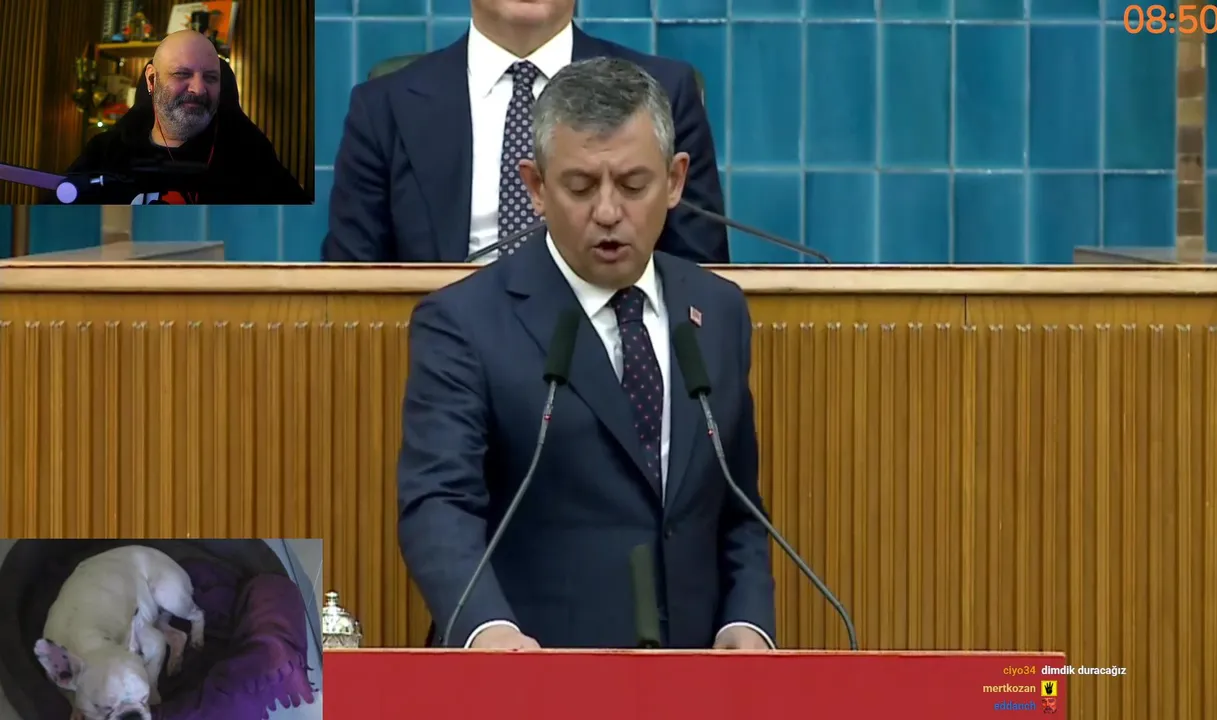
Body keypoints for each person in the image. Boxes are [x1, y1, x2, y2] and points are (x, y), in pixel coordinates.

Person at [397, 57, 773, 650]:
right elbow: (438, 504)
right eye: (580, 187)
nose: (607, 211)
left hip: (696, 676)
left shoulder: (718, 312)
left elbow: (737, 504)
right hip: (532, 671)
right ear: (536, 187)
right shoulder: (464, 323)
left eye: (633, 185)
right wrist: (486, 629)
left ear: (675, 180)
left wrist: (745, 623)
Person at [322, 0, 729, 264]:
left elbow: (700, 275)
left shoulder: (664, 92)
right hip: (443, 347)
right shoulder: (383, 107)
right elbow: (348, 281)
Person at [54, 30, 308, 205]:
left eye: (211, 78)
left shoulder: (250, 154)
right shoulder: (104, 153)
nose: (199, 89)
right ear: (152, 79)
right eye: (182, 74)